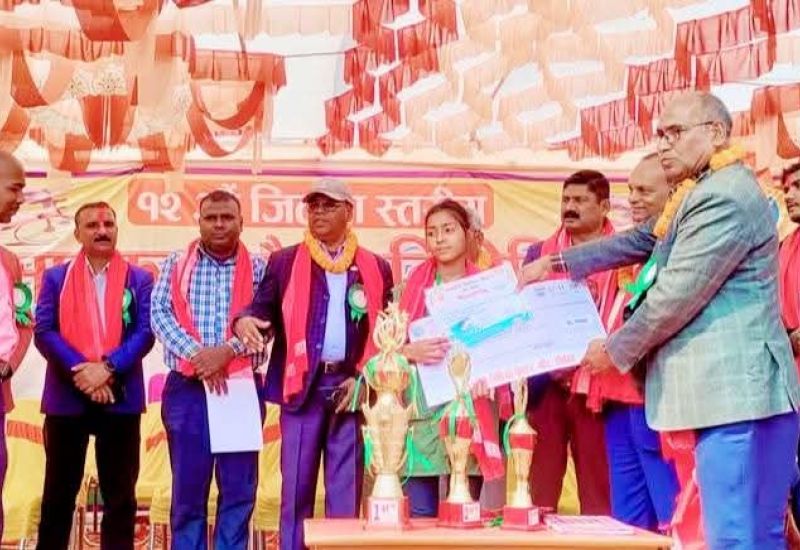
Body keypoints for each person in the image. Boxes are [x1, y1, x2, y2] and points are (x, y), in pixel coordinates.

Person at [521, 91, 800, 549]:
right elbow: (638, 241)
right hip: (744, 394)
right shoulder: (701, 191)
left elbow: (676, 294)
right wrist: (553, 263)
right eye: (660, 134)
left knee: (733, 535)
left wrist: (613, 350)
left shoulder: (723, 197)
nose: (664, 144)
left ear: (715, 133)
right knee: (754, 533)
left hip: (736, 395)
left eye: (675, 133)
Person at [233, 178, 393, 550]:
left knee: (345, 495)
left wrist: (365, 378)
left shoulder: (376, 266)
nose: (318, 212)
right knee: (296, 493)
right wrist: (243, 321)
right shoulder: (285, 261)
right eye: (313, 206)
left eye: (328, 205)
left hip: (351, 388)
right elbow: (261, 310)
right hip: (301, 386)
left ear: (349, 212)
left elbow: (387, 332)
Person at [150, 190, 267, 550]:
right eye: (211, 217)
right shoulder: (176, 263)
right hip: (187, 390)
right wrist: (200, 358)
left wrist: (226, 353)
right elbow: (160, 314)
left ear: (241, 223)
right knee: (188, 491)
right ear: (199, 221)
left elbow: (267, 323)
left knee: (238, 491)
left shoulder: (260, 268)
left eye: (227, 217)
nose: (219, 224)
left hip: (240, 387)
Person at [34, 202, 154, 550]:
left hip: (120, 397)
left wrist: (107, 369)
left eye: (108, 224)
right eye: (92, 226)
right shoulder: (56, 278)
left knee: (120, 498)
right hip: (66, 398)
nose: (102, 231)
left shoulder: (139, 278)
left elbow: (145, 332)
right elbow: (44, 331)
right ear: (77, 234)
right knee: (58, 496)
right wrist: (84, 373)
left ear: (117, 229)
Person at [399, 199, 504, 517]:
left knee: (464, 510)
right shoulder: (410, 288)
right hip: (423, 410)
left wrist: (491, 375)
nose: (439, 239)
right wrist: (409, 351)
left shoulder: (487, 290)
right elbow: (385, 351)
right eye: (432, 233)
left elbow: (502, 349)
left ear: (468, 234)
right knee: (420, 513)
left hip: (471, 406)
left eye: (448, 230)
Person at [522, 170, 612, 515]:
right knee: (538, 490)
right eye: (566, 200)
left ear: (604, 207)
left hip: (599, 387)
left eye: (580, 200)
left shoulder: (624, 253)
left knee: (598, 489)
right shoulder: (538, 254)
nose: (569, 207)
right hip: (547, 386)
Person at [600, 154, 679, 531]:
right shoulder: (626, 248)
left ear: (674, 193)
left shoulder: (681, 246)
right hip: (615, 393)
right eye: (630, 189)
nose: (633, 198)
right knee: (627, 517)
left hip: (655, 396)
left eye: (644, 191)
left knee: (669, 511)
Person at [0, 152, 32, 541]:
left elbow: (24, 322)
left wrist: (8, 364)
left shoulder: (10, 262)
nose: (21, 199)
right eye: (15, 188)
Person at [780, 161, 800, 526]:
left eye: (797, 186)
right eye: (786, 188)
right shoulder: (785, 244)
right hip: (789, 385)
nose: (789, 194)